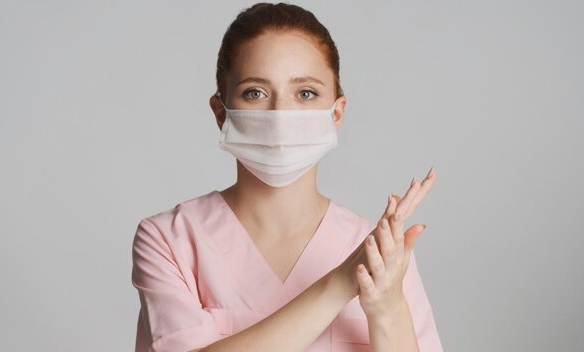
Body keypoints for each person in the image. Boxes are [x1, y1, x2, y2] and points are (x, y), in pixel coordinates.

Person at [131, 2, 442, 351]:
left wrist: (387, 310)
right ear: (222, 113)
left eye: (305, 93)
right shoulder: (170, 240)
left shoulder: (382, 252)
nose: (281, 115)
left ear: (336, 113)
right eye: (255, 93)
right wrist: (340, 283)